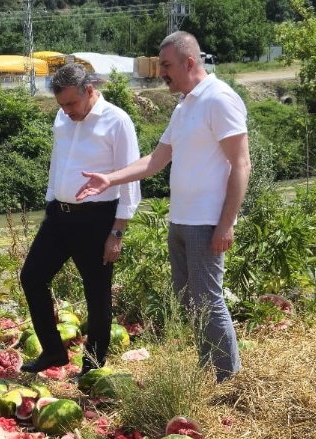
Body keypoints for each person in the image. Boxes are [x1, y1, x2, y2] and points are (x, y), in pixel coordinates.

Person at [76, 32, 249, 382]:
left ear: (189, 62)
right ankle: (209, 370)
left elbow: (241, 164)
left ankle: (230, 380)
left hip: (206, 221)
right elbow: (156, 161)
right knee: (190, 302)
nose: (162, 73)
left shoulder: (219, 99)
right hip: (181, 220)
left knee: (209, 302)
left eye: (167, 66)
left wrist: (226, 224)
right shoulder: (185, 105)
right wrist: (111, 179)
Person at [19, 64, 141, 375]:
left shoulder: (117, 120)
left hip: (97, 219)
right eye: (61, 105)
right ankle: (53, 351)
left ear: (89, 91)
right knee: (32, 277)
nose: (67, 111)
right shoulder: (63, 116)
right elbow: (58, 160)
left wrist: (117, 232)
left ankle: (93, 364)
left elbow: (130, 181)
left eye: (72, 103)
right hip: (59, 214)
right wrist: (51, 200)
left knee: (97, 293)